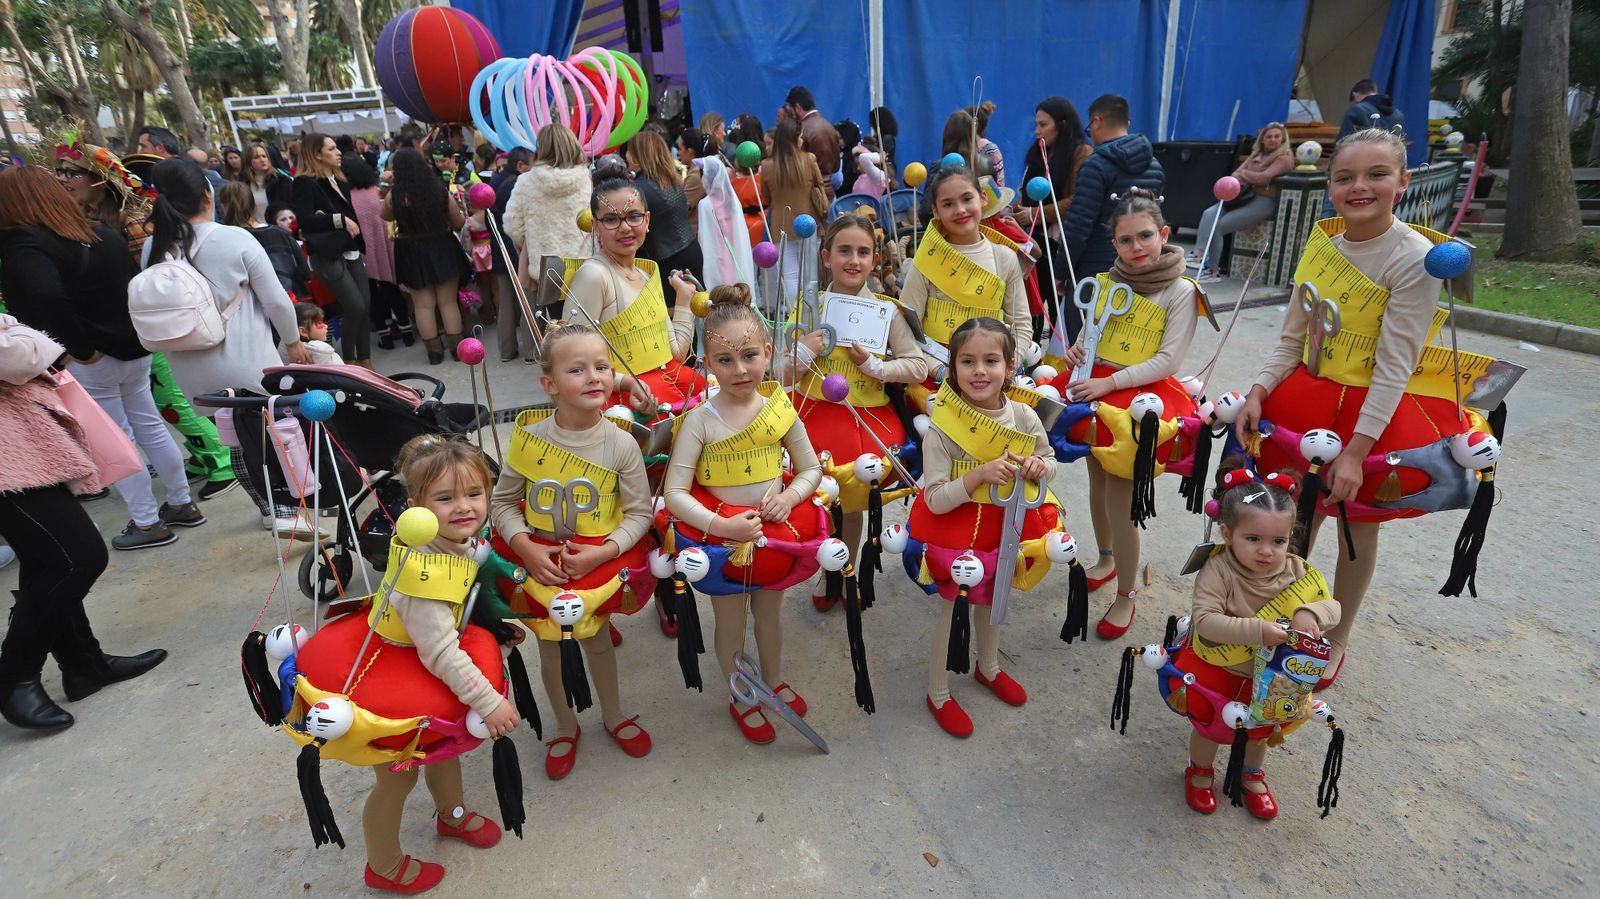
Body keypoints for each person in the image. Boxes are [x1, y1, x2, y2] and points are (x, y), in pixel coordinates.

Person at [1236, 128, 1496, 689]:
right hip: (1305, 399)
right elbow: (1293, 339)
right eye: (1345, 177)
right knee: (1289, 519)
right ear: (1328, 185)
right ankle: (1285, 615)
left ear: (1403, 182)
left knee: (1356, 526)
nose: (1360, 187)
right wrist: (1259, 389)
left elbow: (1394, 366)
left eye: (1377, 175)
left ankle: (1338, 632)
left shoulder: (1415, 259)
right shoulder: (1321, 243)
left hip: (1369, 418)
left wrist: (1356, 452)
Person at [290, 434, 518, 893]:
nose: (464, 507)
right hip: (394, 667)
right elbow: (440, 652)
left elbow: (467, 597)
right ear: (415, 506)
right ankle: (384, 864)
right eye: (445, 498)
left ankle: (451, 815)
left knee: (444, 745)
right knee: (398, 777)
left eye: (474, 494)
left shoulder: (452, 540)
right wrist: (489, 702)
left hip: (422, 652)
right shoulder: (423, 573)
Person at [0, 166, 203, 550]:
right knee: (148, 427)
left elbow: (47, 298)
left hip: (90, 357)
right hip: (130, 349)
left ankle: (147, 523)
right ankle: (181, 503)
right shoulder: (99, 232)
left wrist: (77, 350)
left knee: (117, 438)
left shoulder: (26, 243)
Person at [491, 323, 656, 780]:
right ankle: (565, 726)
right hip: (541, 566)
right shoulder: (529, 439)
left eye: (601, 367)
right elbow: (502, 503)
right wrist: (525, 548)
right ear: (549, 385)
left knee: (598, 643)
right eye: (577, 369)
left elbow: (640, 514)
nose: (594, 377)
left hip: (597, 564)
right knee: (549, 649)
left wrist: (603, 552)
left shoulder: (622, 443)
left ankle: (614, 714)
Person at [664, 285, 825, 744]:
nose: (740, 369)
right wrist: (722, 526)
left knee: (770, 617)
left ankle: (772, 681)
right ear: (707, 362)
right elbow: (675, 492)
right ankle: (740, 695)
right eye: (725, 360)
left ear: (769, 352)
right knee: (731, 622)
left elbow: (811, 467)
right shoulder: (700, 420)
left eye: (750, 355)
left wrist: (791, 498)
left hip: (774, 534)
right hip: (721, 543)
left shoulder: (780, 408)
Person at [1042, 190, 1205, 638]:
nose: (1137, 248)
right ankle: (1108, 559)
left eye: (1146, 236)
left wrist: (1109, 383)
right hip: (1096, 386)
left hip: (1139, 399)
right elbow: (1094, 336)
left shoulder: (1181, 292)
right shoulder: (1107, 283)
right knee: (1096, 481)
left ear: (1165, 234)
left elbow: (1168, 361)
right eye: (1125, 240)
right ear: (1113, 244)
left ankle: (1126, 594)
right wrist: (1078, 351)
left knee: (1120, 496)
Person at [0, 314, 167, 732]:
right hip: (11, 457)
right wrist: (19, 333)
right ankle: (13, 676)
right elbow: (19, 355)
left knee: (46, 558)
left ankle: (83, 664)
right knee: (78, 557)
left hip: (22, 446)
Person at [143, 158, 318, 539]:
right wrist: (293, 343)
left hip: (191, 372)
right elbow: (277, 302)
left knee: (236, 442)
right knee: (279, 434)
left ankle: (269, 509)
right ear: (209, 195)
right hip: (248, 364)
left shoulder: (152, 249)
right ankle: (289, 508)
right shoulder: (235, 238)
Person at [55, 138, 239, 500]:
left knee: (170, 400)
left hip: (148, 327)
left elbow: (154, 281)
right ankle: (203, 456)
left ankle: (221, 461)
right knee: (161, 404)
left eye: (71, 172)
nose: (63, 178)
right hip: (129, 330)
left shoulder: (132, 219)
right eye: (59, 171)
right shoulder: (96, 219)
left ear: (98, 177)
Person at [907, 317, 1062, 737]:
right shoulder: (942, 427)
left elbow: (1050, 463)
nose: (979, 371)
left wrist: (1036, 466)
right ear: (952, 368)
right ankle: (938, 691)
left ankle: (988, 667)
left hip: (1005, 526)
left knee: (997, 599)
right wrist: (976, 477)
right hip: (954, 532)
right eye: (967, 361)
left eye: (991, 360)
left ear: (1011, 366)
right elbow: (935, 497)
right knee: (952, 608)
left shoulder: (1027, 417)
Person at [1170, 459, 1340, 818]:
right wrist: (1258, 630)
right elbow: (1206, 621)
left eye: (1278, 540)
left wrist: (1312, 613)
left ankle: (1251, 774)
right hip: (1220, 671)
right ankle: (1200, 770)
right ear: (1227, 534)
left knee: (1260, 731)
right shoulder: (1217, 569)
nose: (1267, 550)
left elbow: (1334, 607)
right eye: (1253, 539)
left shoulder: (1299, 572)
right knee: (1209, 728)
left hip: (1271, 679)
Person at [788, 214, 930, 611]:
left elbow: (917, 365)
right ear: (826, 256)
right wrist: (802, 352)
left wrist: (877, 367)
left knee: (851, 503)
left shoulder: (887, 311)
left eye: (863, 252)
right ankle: (825, 563)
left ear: (874, 261)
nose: (853, 260)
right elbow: (775, 370)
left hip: (866, 421)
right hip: (811, 418)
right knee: (818, 499)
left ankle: (842, 569)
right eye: (844, 250)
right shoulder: (809, 305)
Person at [561, 178, 705, 412]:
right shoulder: (594, 276)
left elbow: (676, 354)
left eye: (634, 216)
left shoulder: (646, 275)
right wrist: (626, 383)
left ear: (647, 220)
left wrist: (684, 300)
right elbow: (570, 359)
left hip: (670, 387)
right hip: (625, 402)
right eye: (611, 219)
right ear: (596, 226)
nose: (625, 227)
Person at [899, 165, 1031, 393]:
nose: (960, 210)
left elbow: (1021, 324)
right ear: (936, 211)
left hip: (995, 375)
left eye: (967, 198)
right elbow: (906, 329)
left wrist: (1007, 368)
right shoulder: (926, 260)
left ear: (982, 199)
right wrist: (940, 371)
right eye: (948, 204)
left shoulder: (1005, 258)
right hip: (939, 376)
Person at [503, 124, 589, 362]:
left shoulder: (526, 182)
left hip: (547, 267)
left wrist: (530, 243)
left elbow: (513, 226)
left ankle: (566, 372)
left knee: (556, 327)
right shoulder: (586, 178)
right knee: (587, 323)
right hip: (584, 262)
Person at [292, 132, 374, 367]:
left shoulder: (340, 179)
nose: (338, 152)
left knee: (365, 306)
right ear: (317, 154)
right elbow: (305, 220)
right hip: (328, 253)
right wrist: (337, 220)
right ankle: (349, 362)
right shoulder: (305, 182)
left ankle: (365, 360)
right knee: (355, 306)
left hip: (351, 249)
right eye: (331, 149)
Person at [1062, 94, 1165, 278]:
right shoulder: (1156, 166)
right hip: (1143, 269)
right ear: (1128, 122)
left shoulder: (1095, 165)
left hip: (1096, 271)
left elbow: (1078, 227)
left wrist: (1061, 270)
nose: (1091, 135)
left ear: (1096, 121)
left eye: (1089, 128)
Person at [382, 147, 469, 365]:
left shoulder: (396, 195)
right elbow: (458, 221)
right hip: (442, 246)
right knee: (448, 302)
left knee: (423, 305)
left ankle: (434, 353)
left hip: (410, 250)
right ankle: (457, 350)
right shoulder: (438, 189)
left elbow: (384, 215)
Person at [1016, 96, 1092, 341]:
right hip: (1032, 242)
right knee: (1032, 303)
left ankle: (1060, 360)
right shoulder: (1037, 153)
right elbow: (1026, 192)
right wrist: (1016, 209)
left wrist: (1034, 215)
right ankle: (1031, 354)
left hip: (1060, 244)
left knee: (1059, 307)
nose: (1037, 131)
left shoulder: (1082, 153)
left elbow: (1077, 200)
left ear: (1063, 124)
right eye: (1036, 125)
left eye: (1043, 125)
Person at [1192, 122, 1295, 282]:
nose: (1273, 139)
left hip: (1264, 201)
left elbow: (1264, 177)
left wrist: (1245, 174)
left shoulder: (1284, 158)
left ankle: (1213, 271)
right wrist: (1250, 176)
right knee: (1210, 213)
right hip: (1244, 196)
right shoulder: (1256, 155)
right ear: (1262, 139)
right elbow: (1234, 174)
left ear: (1283, 139)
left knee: (1219, 227)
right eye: (1269, 136)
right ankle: (1198, 254)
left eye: (1277, 136)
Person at [342, 155, 408, 350]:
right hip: (387, 247)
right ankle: (407, 332)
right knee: (392, 289)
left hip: (363, 253)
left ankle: (384, 334)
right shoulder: (378, 191)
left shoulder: (347, 199)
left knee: (373, 295)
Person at [760, 119, 828, 300]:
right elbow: (820, 187)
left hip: (780, 225)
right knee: (809, 275)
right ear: (794, 138)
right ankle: (811, 313)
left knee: (789, 275)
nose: (802, 139)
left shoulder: (767, 166)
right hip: (808, 223)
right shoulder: (809, 159)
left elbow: (766, 198)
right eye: (800, 136)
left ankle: (794, 316)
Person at [627, 131, 704, 283]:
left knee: (676, 307)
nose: (627, 156)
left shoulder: (640, 190)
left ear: (638, 155)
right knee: (696, 303)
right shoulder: (672, 180)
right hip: (690, 249)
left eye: (629, 151)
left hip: (667, 262)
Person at [218, 181, 310, 298]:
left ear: (223, 207)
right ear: (254, 205)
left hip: (257, 305)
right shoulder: (279, 233)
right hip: (294, 298)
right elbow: (305, 272)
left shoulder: (227, 240)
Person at [484, 146, 531, 361]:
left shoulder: (494, 182)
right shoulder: (517, 185)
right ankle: (532, 350)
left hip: (499, 249)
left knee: (506, 302)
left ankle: (506, 350)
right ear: (520, 166)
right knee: (527, 301)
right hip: (516, 250)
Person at [784, 86, 842, 200]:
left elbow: (795, 167)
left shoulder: (800, 130)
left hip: (809, 196)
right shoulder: (830, 127)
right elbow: (836, 167)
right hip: (829, 194)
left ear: (797, 107)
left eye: (791, 110)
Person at [240, 144, 295, 225]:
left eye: (264, 156)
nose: (262, 160)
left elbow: (291, 209)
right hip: (256, 230)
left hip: (279, 230)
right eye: (257, 157)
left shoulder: (282, 181)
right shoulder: (243, 185)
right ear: (248, 162)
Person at [1339, 79, 1405, 139]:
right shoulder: (1399, 114)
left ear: (1355, 95)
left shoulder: (1356, 110)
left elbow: (1344, 141)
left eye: (1354, 103)